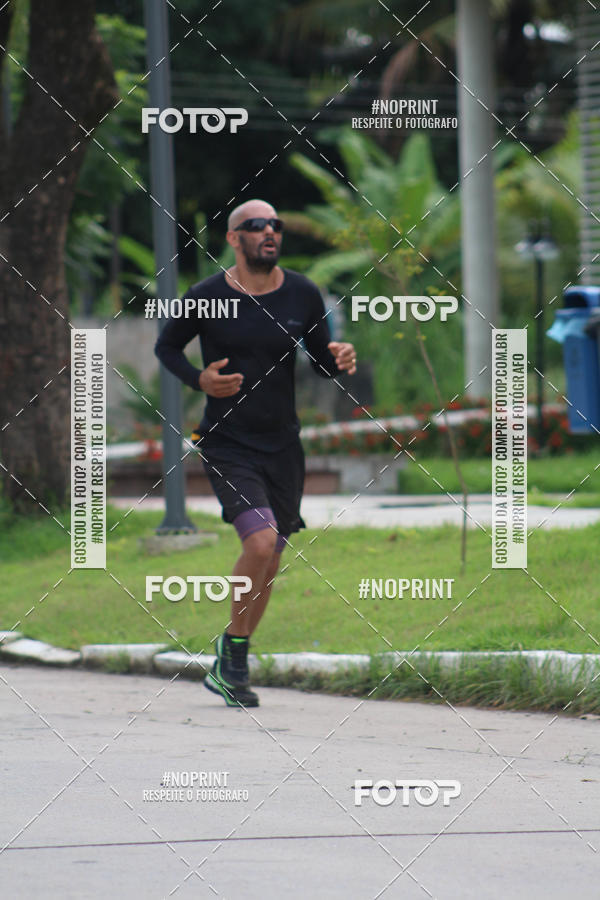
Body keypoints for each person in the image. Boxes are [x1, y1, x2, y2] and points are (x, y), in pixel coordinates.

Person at [155, 198, 356, 708]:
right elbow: (167, 347)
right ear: (233, 238)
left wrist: (339, 358)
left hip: (283, 445)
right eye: (257, 225)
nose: (270, 232)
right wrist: (199, 379)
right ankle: (235, 659)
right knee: (261, 543)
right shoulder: (206, 296)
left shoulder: (302, 293)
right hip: (227, 442)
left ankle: (232, 656)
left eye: (276, 224)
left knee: (271, 558)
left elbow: (321, 361)